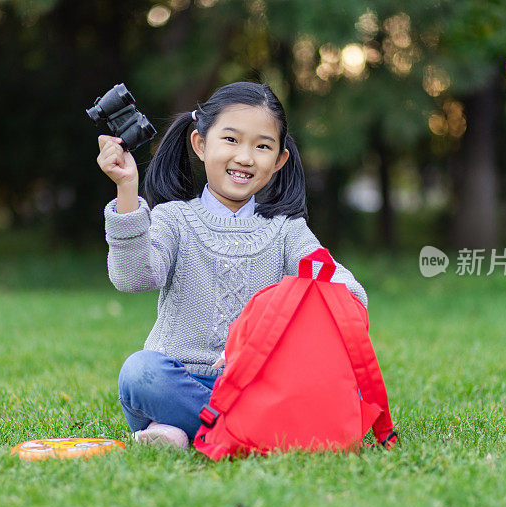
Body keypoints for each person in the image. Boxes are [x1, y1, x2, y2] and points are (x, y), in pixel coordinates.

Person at [97, 81, 367, 449]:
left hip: (253, 386)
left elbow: (345, 292)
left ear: (279, 161)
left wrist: (263, 332)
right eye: (231, 140)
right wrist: (127, 189)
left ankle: (182, 433)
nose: (245, 157)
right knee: (139, 372)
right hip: (175, 382)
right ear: (200, 144)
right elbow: (132, 277)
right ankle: (247, 433)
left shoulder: (287, 231)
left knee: (324, 392)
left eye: (262, 146)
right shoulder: (175, 219)